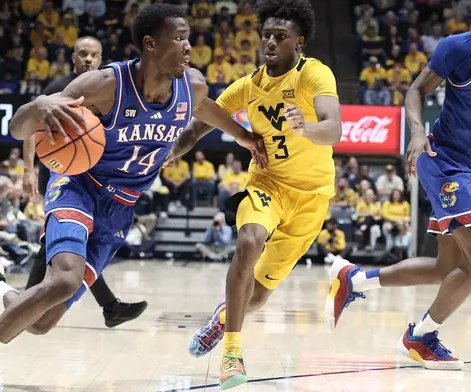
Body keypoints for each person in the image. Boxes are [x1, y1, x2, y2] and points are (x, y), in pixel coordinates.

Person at [0, 5, 266, 390]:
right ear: (150, 43)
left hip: (120, 207)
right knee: (63, 280)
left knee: (42, 323)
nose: (188, 46)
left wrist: (244, 137)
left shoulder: (191, 86)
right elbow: (18, 127)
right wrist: (40, 105)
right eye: (179, 38)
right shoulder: (104, 86)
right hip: (77, 185)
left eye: (188, 38)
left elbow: (204, 109)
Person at [174, 0, 342, 388]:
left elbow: (333, 129)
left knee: (258, 296)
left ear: (299, 42)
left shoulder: (314, 75)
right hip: (267, 184)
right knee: (248, 242)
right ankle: (232, 355)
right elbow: (200, 124)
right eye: (266, 34)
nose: (269, 42)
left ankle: (220, 320)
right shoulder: (248, 86)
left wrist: (306, 130)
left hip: (312, 197)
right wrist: (171, 152)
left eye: (280, 36)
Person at [326, 31, 471, 370]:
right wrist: (417, 132)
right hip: (443, 158)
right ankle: (420, 337)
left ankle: (354, 279)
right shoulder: (458, 48)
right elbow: (416, 89)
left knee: (446, 268)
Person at [20, 35, 150, 328]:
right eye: (83, 54)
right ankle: (28, 300)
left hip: (92, 178)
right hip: (59, 175)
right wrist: (28, 170)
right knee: (57, 242)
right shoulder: (58, 90)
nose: (88, 59)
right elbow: (30, 130)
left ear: (101, 59)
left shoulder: (107, 90)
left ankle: (107, 306)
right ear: (73, 58)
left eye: (94, 55)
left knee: (77, 245)